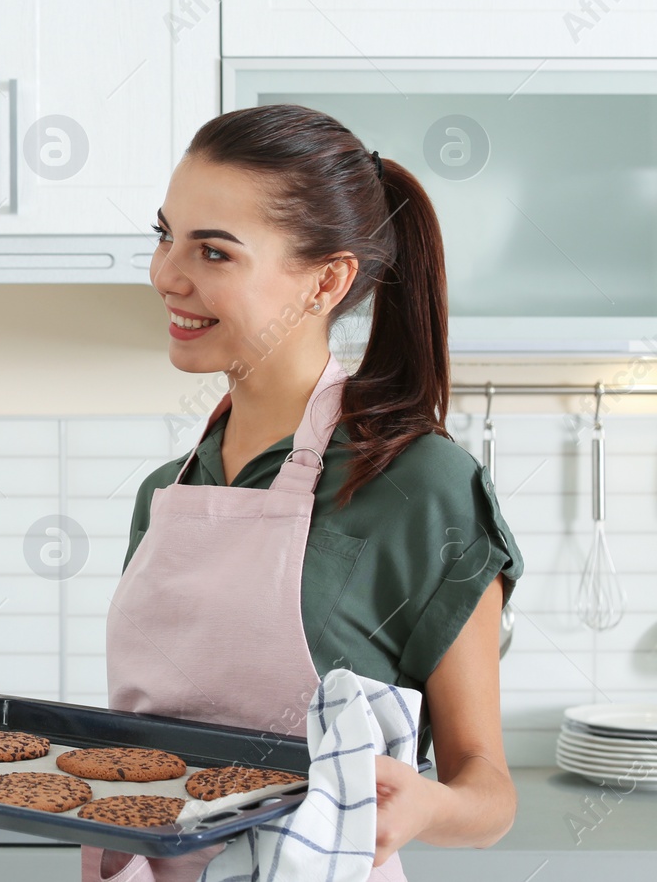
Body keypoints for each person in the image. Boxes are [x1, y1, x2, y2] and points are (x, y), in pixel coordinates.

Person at [86, 105, 522, 882]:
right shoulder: (167, 492)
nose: (166, 275)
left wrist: (424, 804)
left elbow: (487, 788)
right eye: (164, 235)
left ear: (327, 280)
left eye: (214, 252)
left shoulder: (422, 487)